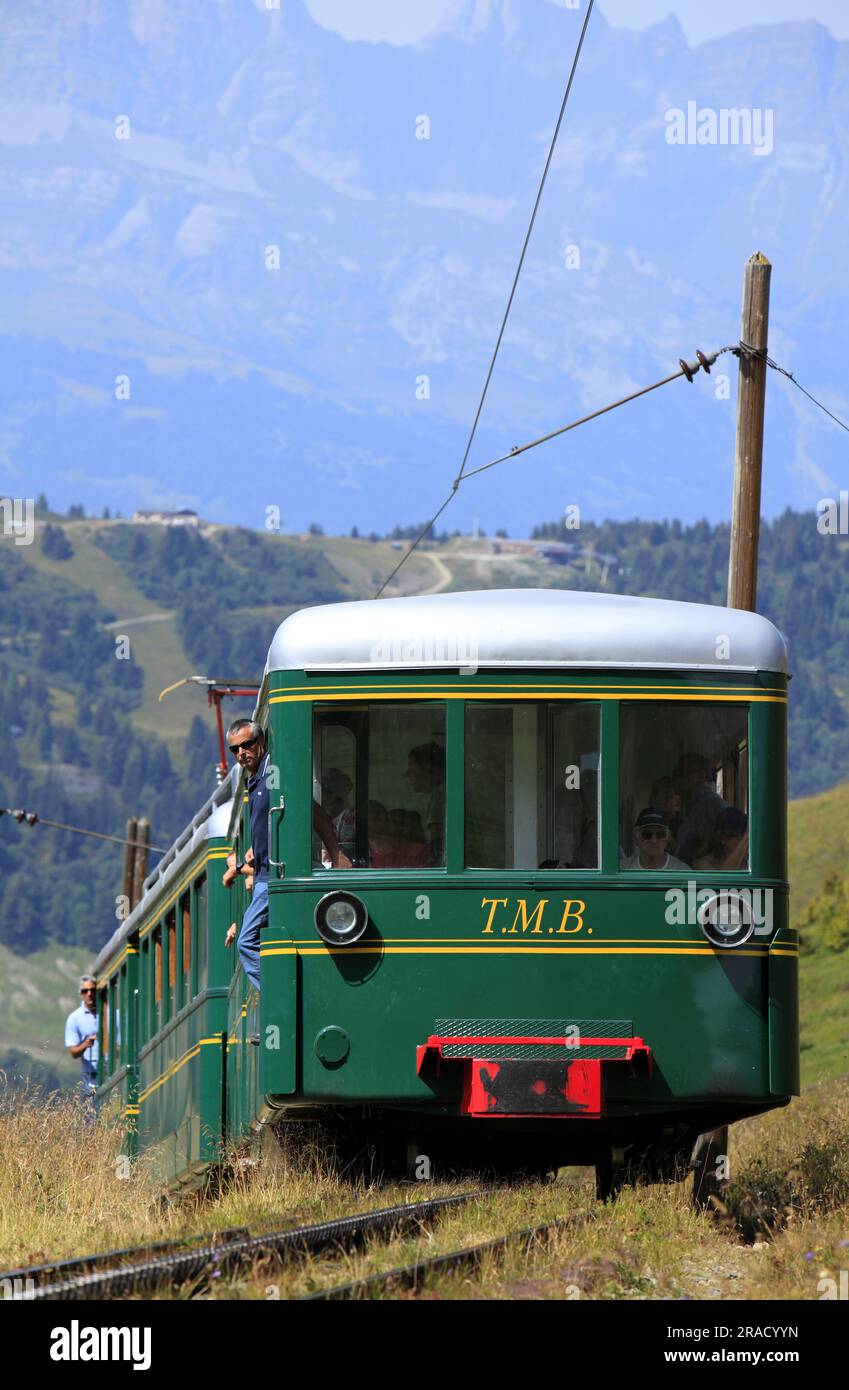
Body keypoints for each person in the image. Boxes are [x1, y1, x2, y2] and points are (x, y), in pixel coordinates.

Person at [227, 718, 351, 991]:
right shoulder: (257, 778)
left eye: (246, 745)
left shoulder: (274, 771)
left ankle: (278, 997)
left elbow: (310, 809)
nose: (241, 753)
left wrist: (336, 852)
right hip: (263, 874)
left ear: (260, 742)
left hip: (273, 877)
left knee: (247, 941)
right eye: (234, 749)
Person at [675, 752, 725, 866]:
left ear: (701, 776)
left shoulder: (711, 803)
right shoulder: (692, 803)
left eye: (683, 773)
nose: (678, 779)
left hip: (700, 877)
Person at [405, 741, 446, 864]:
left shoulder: (439, 795)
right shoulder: (444, 791)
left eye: (412, 764)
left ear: (428, 767)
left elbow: (436, 845)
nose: (408, 773)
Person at [620, 809, 690, 870]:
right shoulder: (622, 868)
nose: (654, 841)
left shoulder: (685, 871)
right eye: (647, 834)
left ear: (668, 838)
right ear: (636, 838)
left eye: (660, 835)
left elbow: (692, 885)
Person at [65, 975, 99, 1099]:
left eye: (92, 990)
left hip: (110, 1070)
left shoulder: (110, 1014)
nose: (89, 994)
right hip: (90, 1073)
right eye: (85, 991)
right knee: (92, 1112)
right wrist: (85, 1044)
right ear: (81, 994)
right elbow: (73, 1052)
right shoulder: (74, 1018)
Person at [693, 807, 749, 871]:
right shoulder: (703, 863)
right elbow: (724, 878)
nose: (742, 842)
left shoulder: (749, 863)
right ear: (723, 838)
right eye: (739, 836)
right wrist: (746, 837)